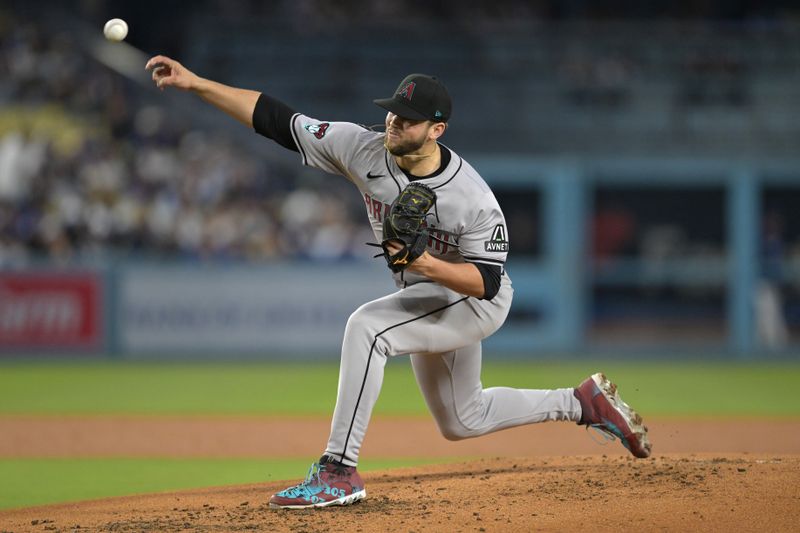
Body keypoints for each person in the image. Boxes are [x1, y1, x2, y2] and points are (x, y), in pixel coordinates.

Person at [145, 55, 652, 509]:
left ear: (437, 129)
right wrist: (196, 84)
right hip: (427, 293)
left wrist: (425, 262)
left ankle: (338, 471)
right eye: (392, 111)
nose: (393, 122)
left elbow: (489, 284)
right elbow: (276, 119)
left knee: (368, 328)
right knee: (462, 420)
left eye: (407, 119)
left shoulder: (471, 198)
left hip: (470, 298)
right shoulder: (362, 147)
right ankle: (582, 402)